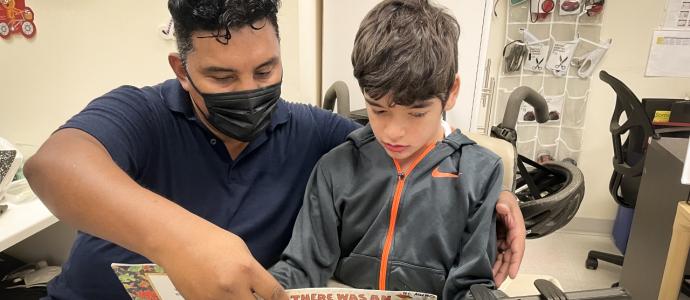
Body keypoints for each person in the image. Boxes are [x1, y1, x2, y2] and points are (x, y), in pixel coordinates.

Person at [23, 1, 525, 299]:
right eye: (222, 76)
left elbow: (412, 141)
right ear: (182, 69)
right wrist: (181, 243)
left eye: (265, 71)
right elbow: (54, 166)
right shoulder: (142, 114)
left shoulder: (314, 134)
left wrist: (497, 187)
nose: (248, 88)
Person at [270, 1, 505, 298]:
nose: (393, 132)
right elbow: (303, 267)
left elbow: (471, 283)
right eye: (378, 110)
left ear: (451, 93)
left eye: (416, 113)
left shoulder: (481, 173)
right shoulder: (335, 168)